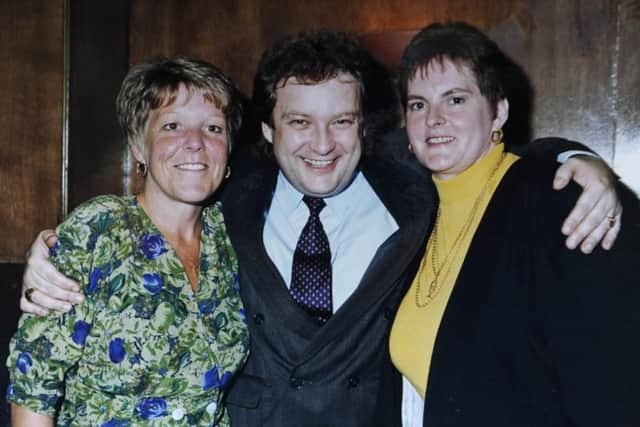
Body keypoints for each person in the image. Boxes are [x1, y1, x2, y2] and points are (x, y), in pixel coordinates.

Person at [18, 30, 623, 426]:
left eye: (342, 122)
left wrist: (575, 160)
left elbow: (476, 151)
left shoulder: (410, 193)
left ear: (366, 127)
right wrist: (46, 252)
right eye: (299, 122)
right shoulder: (231, 200)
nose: (322, 144)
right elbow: (39, 368)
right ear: (266, 132)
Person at [389, 22, 640, 426]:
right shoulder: (416, 211)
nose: (433, 118)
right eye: (418, 104)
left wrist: (576, 157)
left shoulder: (559, 199)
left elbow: (614, 380)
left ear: (498, 111)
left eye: (455, 100)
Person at [6, 57, 249, 426]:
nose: (195, 143)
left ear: (228, 150)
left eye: (213, 128)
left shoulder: (231, 233)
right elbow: (33, 381)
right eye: (172, 126)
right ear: (139, 149)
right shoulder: (100, 229)